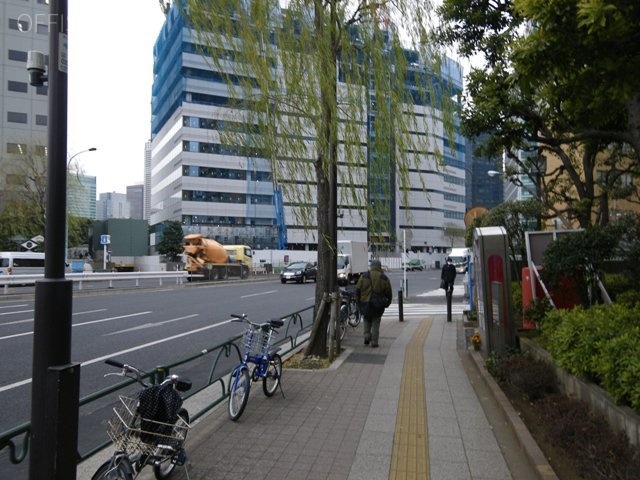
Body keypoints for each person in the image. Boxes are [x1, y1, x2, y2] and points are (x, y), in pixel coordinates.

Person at [356, 259, 392, 348]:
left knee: (366, 320)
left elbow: (357, 290)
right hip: (378, 304)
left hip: (365, 303)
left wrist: (359, 302)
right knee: (376, 322)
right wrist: (387, 303)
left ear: (371, 266)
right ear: (379, 266)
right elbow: (389, 293)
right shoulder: (384, 278)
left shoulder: (364, 276)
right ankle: (374, 342)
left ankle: (367, 336)